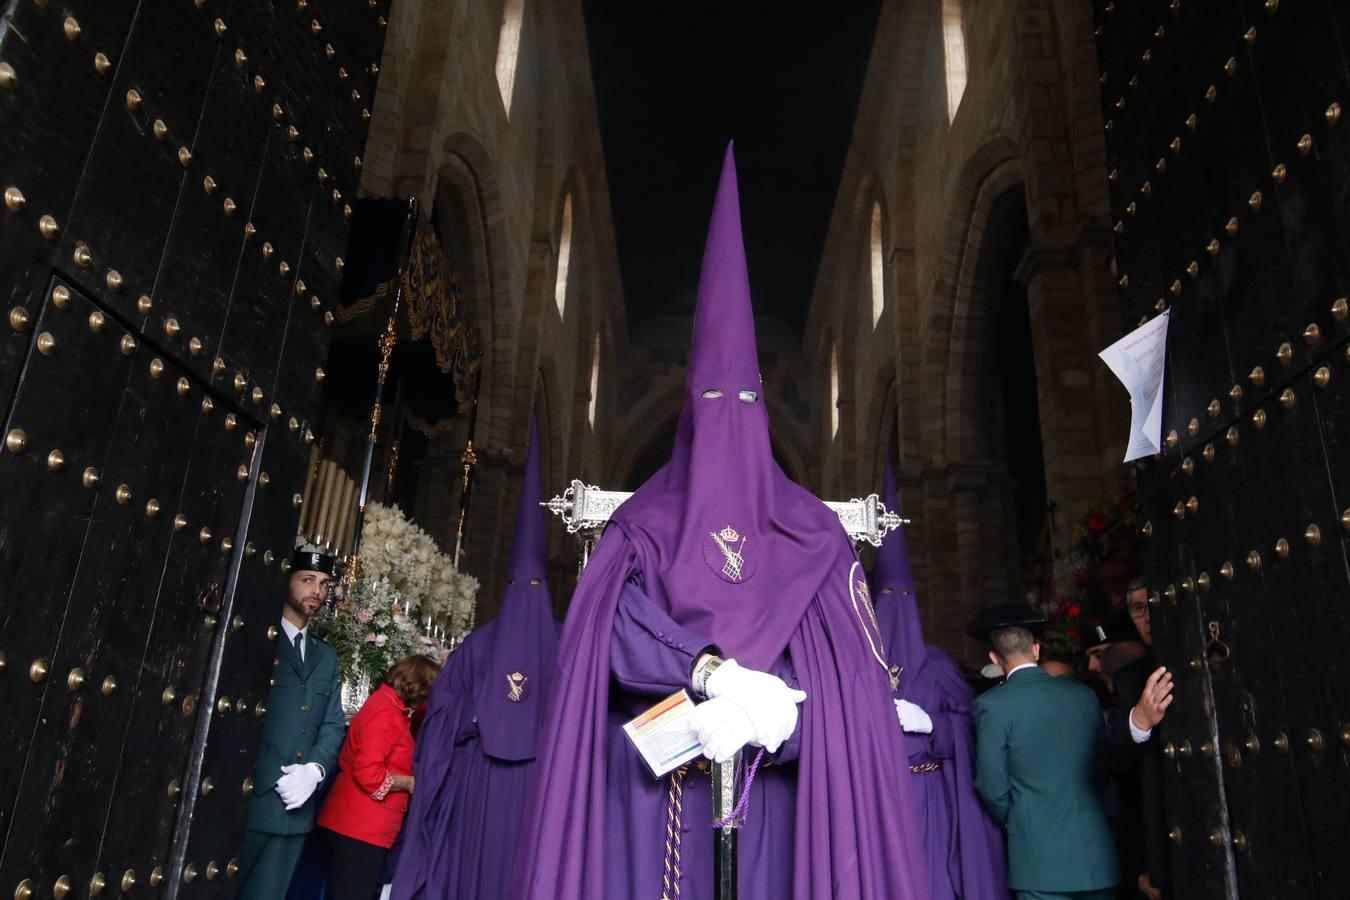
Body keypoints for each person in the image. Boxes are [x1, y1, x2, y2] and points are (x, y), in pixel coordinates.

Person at [509, 145, 928, 900]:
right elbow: (605, 635)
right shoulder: (641, 525)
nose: (726, 424)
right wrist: (711, 674)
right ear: (684, 420)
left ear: (764, 413)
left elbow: (853, 699)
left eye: (742, 404)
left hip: (785, 807)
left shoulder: (816, 538)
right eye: (710, 404)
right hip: (649, 805)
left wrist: (781, 723)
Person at [391, 415, 561, 900]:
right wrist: (474, 716)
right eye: (517, 588)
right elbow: (442, 713)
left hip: (535, 793)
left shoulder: (555, 645)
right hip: (479, 790)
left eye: (532, 588)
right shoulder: (480, 646)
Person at [871, 461, 1009, 899]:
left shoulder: (939, 668)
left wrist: (933, 725)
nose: (895, 608)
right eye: (886, 599)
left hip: (932, 798)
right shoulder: (859, 667)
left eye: (903, 599)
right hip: (877, 798)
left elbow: (972, 732)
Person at [969, 603, 1120, 900]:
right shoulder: (1084, 696)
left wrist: (1019, 820)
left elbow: (991, 785)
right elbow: (1102, 771)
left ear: (995, 659)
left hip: (1038, 860)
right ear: (1036, 650)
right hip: (1096, 856)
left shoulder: (993, 706)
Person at [237, 550, 348, 900]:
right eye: (307, 580)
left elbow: (332, 722)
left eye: (324, 584)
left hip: (296, 809)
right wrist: (273, 772)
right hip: (252, 799)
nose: (317, 590)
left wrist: (314, 770)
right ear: (286, 581)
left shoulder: (325, 655)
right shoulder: (256, 637)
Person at [316, 654, 441, 900]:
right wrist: (409, 782)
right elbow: (369, 772)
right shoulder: (386, 713)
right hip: (360, 827)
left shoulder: (390, 705)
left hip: (356, 825)